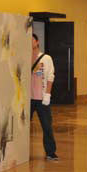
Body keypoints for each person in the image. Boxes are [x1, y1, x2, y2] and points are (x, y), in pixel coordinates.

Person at [30, 33, 59, 161]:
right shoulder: (23, 57)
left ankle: (50, 152)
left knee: (47, 126)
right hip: (28, 99)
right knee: (22, 127)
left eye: (32, 40)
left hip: (41, 98)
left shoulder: (46, 58)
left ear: (37, 42)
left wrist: (47, 94)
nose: (30, 43)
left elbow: (50, 76)